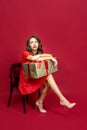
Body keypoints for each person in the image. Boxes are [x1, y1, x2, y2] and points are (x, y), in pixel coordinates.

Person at [18, 35, 76, 113]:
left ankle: (39, 102)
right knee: (49, 75)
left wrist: (50, 57)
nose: (34, 44)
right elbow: (34, 58)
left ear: (38, 44)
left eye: (36, 42)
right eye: (31, 42)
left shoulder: (40, 53)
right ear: (29, 45)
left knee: (49, 83)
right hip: (27, 78)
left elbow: (47, 56)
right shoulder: (25, 53)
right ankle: (62, 100)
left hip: (36, 75)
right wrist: (50, 58)